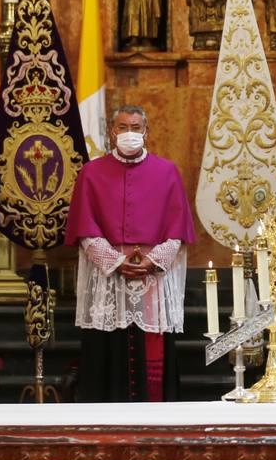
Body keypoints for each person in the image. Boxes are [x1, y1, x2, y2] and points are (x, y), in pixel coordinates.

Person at [65, 105, 195, 401]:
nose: (129, 134)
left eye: (136, 128)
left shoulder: (167, 172)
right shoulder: (91, 173)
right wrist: (115, 261)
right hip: (108, 278)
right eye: (122, 127)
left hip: (152, 281)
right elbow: (85, 231)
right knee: (107, 349)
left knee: (151, 350)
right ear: (111, 132)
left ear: (147, 132)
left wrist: (153, 261)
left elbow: (177, 233)